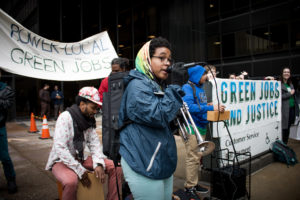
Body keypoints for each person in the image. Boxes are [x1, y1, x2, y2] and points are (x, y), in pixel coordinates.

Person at [118, 37, 184, 200]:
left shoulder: (154, 84)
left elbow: (164, 120)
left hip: (158, 159)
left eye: (169, 59)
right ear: (147, 59)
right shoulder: (137, 86)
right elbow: (158, 116)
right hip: (142, 161)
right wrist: (175, 86)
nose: (167, 63)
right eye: (161, 58)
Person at [45, 87, 122, 200]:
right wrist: (80, 170)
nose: (95, 112)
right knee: (71, 181)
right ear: (82, 104)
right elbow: (60, 148)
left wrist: (99, 164)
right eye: (93, 108)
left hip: (79, 158)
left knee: (115, 167)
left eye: (97, 109)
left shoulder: (88, 120)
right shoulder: (65, 118)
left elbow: (94, 144)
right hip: (61, 160)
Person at [181, 65, 225, 199]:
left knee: (197, 158)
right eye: (203, 75)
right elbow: (189, 107)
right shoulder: (187, 88)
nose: (205, 77)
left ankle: (194, 183)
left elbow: (199, 104)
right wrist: (210, 107)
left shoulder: (200, 88)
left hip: (200, 125)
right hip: (191, 127)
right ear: (195, 75)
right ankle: (189, 186)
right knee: (193, 157)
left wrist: (210, 105)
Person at [0, 70, 18, 194]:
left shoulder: (6, 89)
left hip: (0, 127)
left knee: (4, 157)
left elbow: (8, 105)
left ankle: (11, 180)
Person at [280, 67, 299, 144]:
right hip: (284, 109)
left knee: (288, 127)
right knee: (285, 128)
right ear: (282, 73)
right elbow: (279, 97)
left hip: (292, 109)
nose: (286, 73)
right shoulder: (279, 84)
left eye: (288, 72)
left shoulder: (290, 84)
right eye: (285, 72)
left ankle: (286, 143)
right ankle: (283, 143)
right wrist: (289, 94)